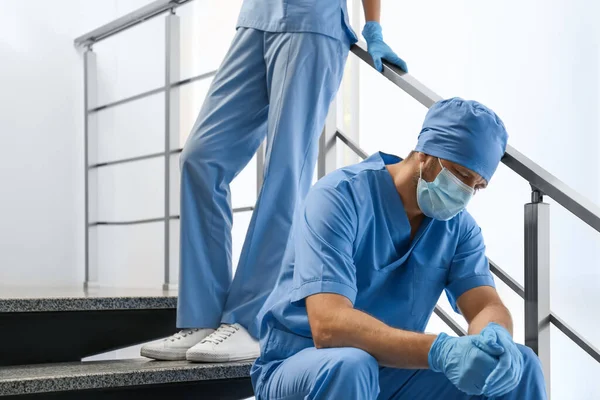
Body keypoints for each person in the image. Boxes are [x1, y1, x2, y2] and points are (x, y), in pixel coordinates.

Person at [141, 0, 407, 362]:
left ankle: (250, 322)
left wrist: (373, 27)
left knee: (285, 172)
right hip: (256, 19)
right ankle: (202, 318)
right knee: (200, 159)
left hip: (313, 22)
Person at [250, 98, 548, 399]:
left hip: (390, 369)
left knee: (522, 366)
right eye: (460, 174)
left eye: (477, 186)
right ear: (426, 153)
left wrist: (493, 335)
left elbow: (485, 305)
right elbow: (329, 326)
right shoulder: (339, 198)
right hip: (305, 363)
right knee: (352, 364)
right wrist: (441, 350)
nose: (465, 193)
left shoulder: (458, 228)